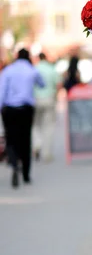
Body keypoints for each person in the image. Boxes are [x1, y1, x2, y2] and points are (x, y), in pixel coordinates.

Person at [0, 49, 45, 188]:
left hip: (9, 109)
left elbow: (2, 91)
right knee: (26, 140)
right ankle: (25, 174)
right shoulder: (32, 70)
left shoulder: (8, 70)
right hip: (26, 109)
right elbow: (42, 84)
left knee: (11, 138)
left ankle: (14, 163)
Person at [32, 52, 60, 162]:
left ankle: (37, 144)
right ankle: (46, 153)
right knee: (48, 127)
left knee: (35, 125)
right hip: (49, 99)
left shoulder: (34, 69)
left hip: (35, 100)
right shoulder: (51, 69)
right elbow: (58, 85)